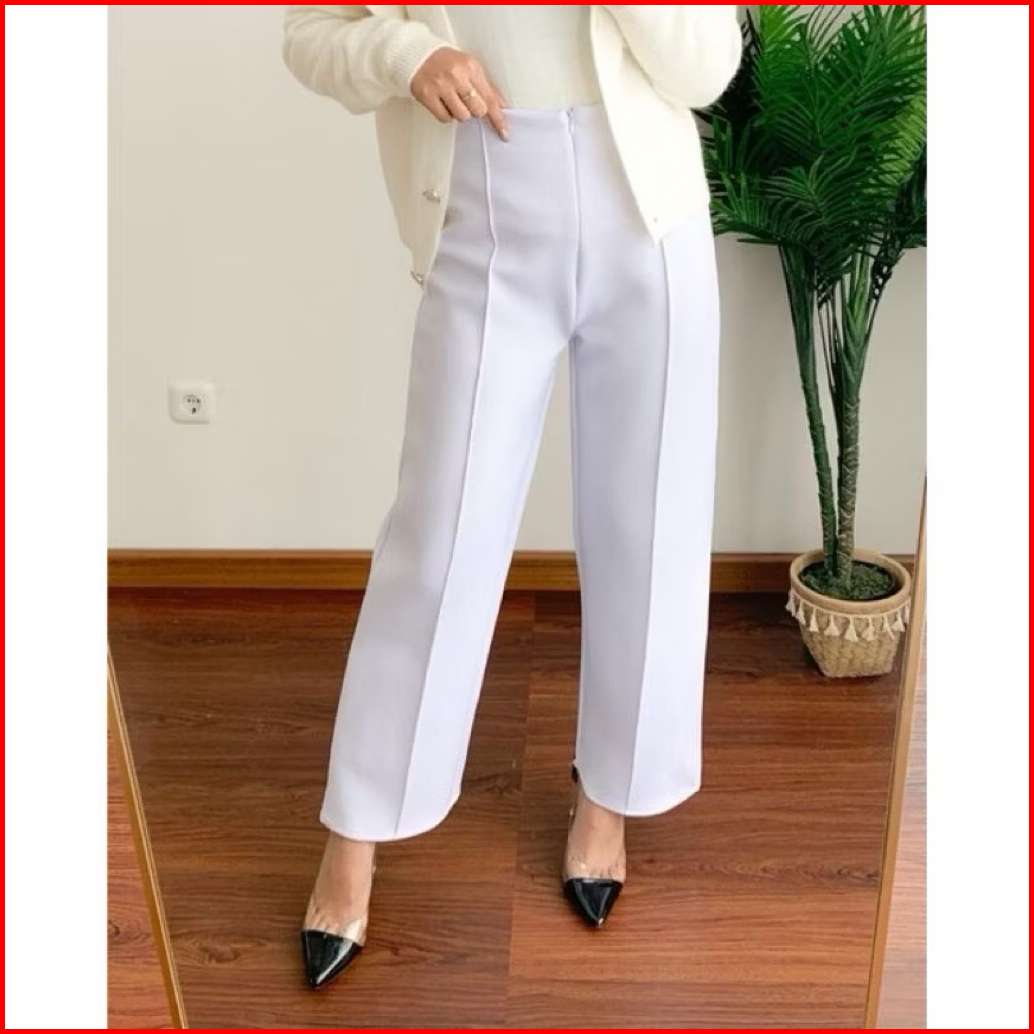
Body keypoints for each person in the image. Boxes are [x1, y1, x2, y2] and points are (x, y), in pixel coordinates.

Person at [282, 4, 742, 991]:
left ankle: (607, 801)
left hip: (648, 223)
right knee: (438, 539)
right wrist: (407, 53)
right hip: (485, 211)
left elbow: (706, 70)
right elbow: (308, 35)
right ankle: (354, 834)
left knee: (650, 528)